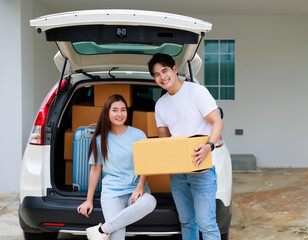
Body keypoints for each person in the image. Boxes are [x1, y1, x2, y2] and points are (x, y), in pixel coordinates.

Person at [148, 53, 223, 240]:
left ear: (174, 69)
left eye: (164, 71)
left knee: (206, 223)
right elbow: (164, 140)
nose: (162, 77)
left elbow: (217, 122)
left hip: (201, 166)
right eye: (156, 74)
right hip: (177, 172)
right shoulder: (161, 104)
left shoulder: (196, 91)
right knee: (187, 221)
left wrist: (209, 146)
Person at [77, 94, 157, 240]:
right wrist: (88, 200)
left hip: (135, 191)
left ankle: (101, 230)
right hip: (112, 193)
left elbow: (146, 164)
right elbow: (95, 170)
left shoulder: (138, 135)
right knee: (117, 235)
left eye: (123, 110)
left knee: (150, 202)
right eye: (115, 110)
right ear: (107, 113)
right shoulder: (100, 140)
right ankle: (107, 229)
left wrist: (140, 187)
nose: (120, 114)